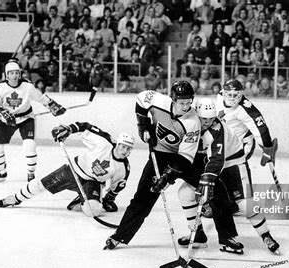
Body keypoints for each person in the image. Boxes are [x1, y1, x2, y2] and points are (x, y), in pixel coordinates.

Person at [104, 81, 201, 250]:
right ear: (173, 99)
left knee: (212, 189)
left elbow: (186, 156)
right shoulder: (159, 101)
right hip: (159, 155)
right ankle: (120, 236)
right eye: (181, 103)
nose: (185, 107)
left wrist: (167, 177)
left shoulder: (193, 121)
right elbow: (141, 100)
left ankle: (211, 234)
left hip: (181, 159)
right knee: (142, 198)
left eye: (188, 102)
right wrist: (143, 125)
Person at [0, 122, 134, 215]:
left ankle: (80, 200)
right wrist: (68, 129)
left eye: (128, 148)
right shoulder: (104, 142)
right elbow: (86, 127)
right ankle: (15, 198)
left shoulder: (124, 168)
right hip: (73, 171)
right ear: (118, 144)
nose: (125, 150)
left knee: (94, 211)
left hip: (92, 182)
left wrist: (109, 200)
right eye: (123, 146)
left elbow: (117, 186)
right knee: (40, 185)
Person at [213, 79, 280, 253]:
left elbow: (261, 127)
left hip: (239, 148)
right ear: (222, 92)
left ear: (242, 94)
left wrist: (267, 148)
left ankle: (265, 235)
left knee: (244, 199)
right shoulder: (218, 98)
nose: (233, 98)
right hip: (218, 151)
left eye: (237, 95)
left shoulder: (245, 108)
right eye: (229, 94)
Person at [176, 98, 246, 254]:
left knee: (217, 194)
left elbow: (217, 158)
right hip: (191, 161)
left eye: (210, 118)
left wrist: (208, 178)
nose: (207, 122)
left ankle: (228, 237)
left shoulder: (218, 128)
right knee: (185, 193)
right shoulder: (186, 122)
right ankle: (198, 234)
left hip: (214, 164)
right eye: (204, 119)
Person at [0, 61, 66, 183]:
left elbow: (40, 97)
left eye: (17, 73)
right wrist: (3, 113)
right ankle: (1, 171)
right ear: (6, 75)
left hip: (26, 118)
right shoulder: (0, 87)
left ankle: (31, 174)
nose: (14, 76)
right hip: (6, 121)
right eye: (11, 73)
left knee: (29, 145)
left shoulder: (27, 86)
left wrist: (52, 105)